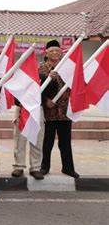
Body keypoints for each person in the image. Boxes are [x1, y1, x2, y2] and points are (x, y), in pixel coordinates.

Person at [39, 40, 79, 179]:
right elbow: (36, 88)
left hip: (65, 111)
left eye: (57, 50)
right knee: (47, 141)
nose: (55, 53)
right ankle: (44, 167)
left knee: (65, 142)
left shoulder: (67, 67)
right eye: (52, 51)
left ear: (61, 52)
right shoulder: (41, 68)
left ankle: (68, 168)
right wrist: (45, 101)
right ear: (46, 53)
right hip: (49, 112)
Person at [11, 100, 45, 180]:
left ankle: (35, 167)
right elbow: (12, 90)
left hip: (37, 107)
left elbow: (50, 88)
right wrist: (18, 101)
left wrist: (44, 99)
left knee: (37, 140)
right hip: (21, 107)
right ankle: (18, 166)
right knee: (19, 140)